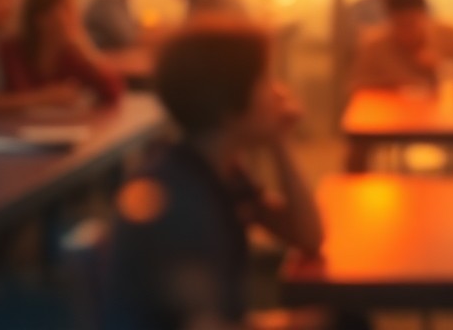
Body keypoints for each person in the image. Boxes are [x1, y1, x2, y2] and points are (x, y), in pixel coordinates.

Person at [108, 21, 322, 329]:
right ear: (228, 103)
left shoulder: (217, 171)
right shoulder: (179, 200)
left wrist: (279, 140)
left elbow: (308, 236)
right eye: (265, 80)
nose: (278, 92)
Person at [0, 0, 123, 106]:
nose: (75, 16)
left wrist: (86, 50)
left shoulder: (72, 56)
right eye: (66, 8)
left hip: (64, 125)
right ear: (41, 18)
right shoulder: (12, 51)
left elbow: (113, 91)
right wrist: (43, 97)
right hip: (16, 126)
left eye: (75, 9)